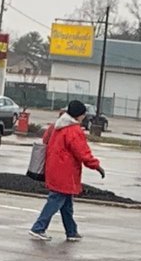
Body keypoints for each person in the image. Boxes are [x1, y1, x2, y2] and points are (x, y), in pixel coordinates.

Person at [31, 99, 104, 240]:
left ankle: (71, 231)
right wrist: (96, 166)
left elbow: (45, 140)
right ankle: (38, 228)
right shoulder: (74, 130)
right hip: (66, 172)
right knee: (55, 201)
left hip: (54, 168)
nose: (84, 117)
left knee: (66, 204)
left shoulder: (57, 125)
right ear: (79, 115)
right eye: (83, 114)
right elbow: (82, 152)